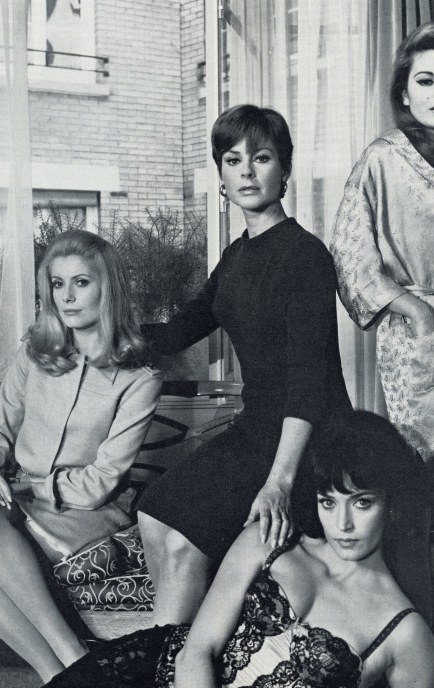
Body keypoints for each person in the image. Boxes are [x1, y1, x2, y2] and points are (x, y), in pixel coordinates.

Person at [330, 21, 434, 688]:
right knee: (430, 510)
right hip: (424, 359)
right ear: (404, 90)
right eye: (425, 80)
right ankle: (424, 666)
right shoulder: (383, 160)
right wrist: (411, 308)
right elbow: (350, 254)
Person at [137, 103, 351, 627]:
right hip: (256, 429)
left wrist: (279, 482)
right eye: (233, 160)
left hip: (307, 440)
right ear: (222, 175)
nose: (247, 172)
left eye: (262, 158)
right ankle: (181, 647)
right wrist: (94, 331)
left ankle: (176, 656)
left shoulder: (305, 256)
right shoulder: (237, 256)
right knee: (153, 513)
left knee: (183, 542)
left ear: (285, 168)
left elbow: (309, 384)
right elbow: (178, 331)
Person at [44, 410, 434, 688]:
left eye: (362, 503)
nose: (343, 524)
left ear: (391, 504)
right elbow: (196, 651)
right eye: (328, 502)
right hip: (158, 671)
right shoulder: (270, 541)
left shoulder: (406, 635)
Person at [0, 229, 163, 683]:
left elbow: (101, 482)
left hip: (85, 514)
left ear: (107, 288)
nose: (67, 297)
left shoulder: (140, 378)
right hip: (17, 503)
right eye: (57, 284)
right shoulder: (34, 353)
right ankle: (63, 672)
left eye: (81, 282)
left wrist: (27, 486)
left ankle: (70, 661)